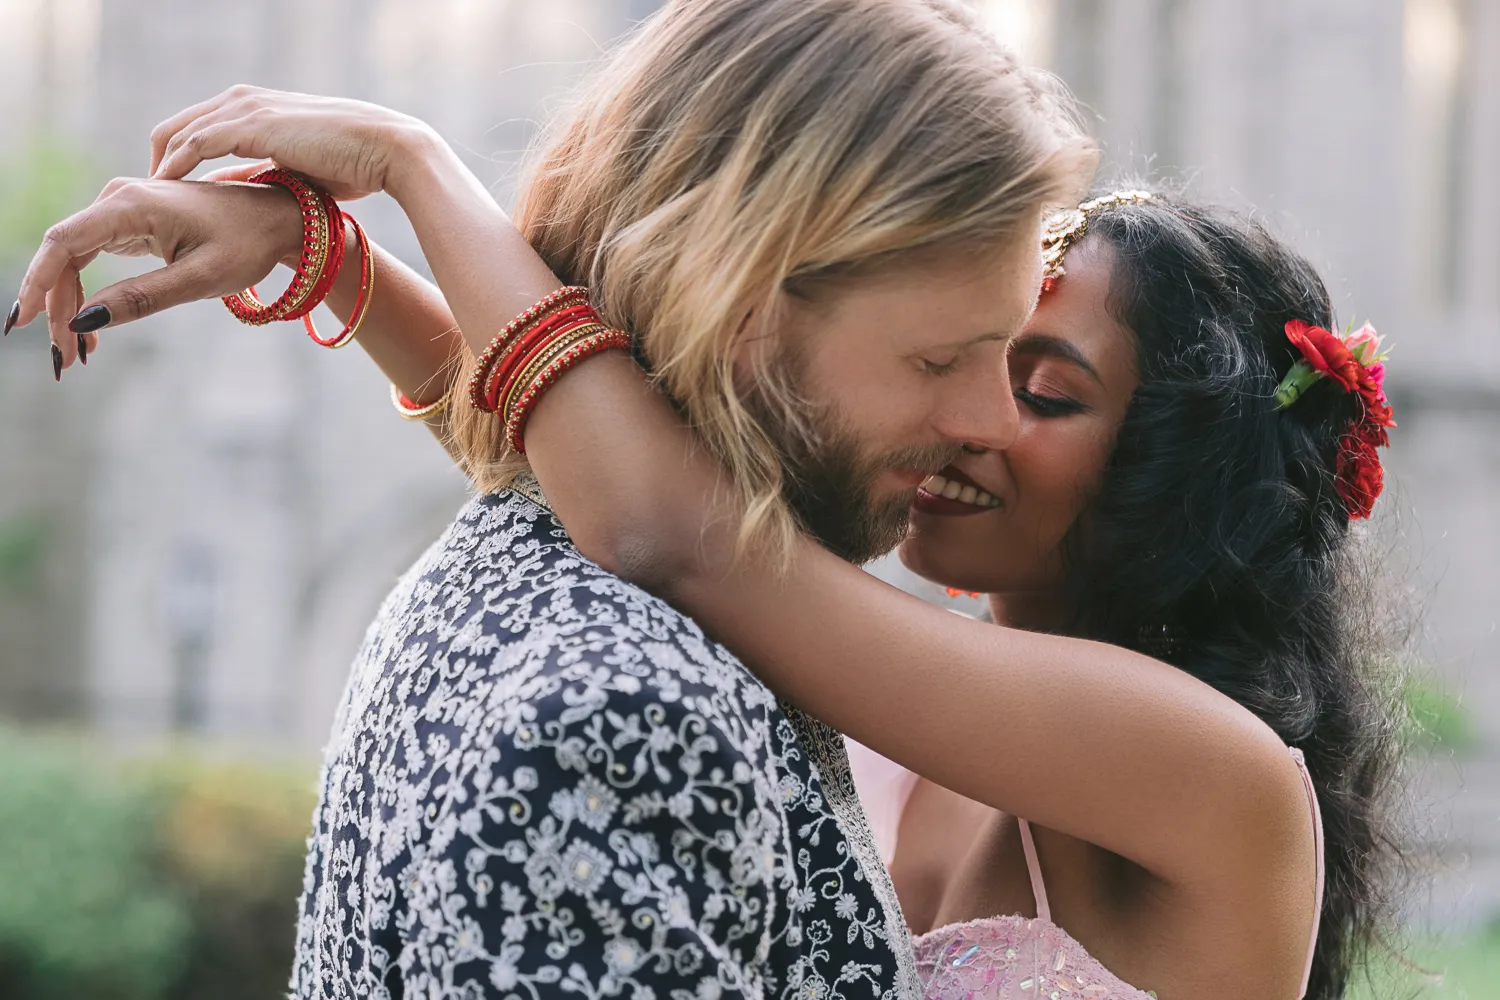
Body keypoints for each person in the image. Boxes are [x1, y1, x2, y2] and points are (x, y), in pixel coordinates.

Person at [10, 2, 1095, 998]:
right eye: (944, 357)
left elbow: (643, 508)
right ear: (745, 305)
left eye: (1036, 381)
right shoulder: (623, 714)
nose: (994, 423)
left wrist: (391, 188)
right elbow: (631, 501)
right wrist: (351, 232)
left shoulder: (615, 591)